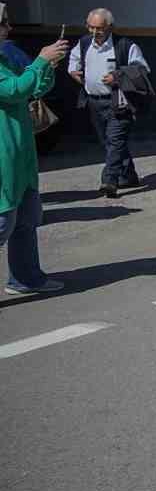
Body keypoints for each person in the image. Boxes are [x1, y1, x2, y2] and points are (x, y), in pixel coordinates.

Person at [1, 30, 71, 295]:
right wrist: (41, 60)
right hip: (3, 155)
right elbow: (13, 90)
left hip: (21, 154)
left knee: (27, 218)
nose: (6, 29)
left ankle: (25, 279)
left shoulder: (5, 58)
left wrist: (48, 67)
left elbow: (35, 88)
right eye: (2, 23)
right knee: (4, 221)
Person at [67, 9, 147, 199]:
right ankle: (128, 175)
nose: (94, 32)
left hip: (118, 102)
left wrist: (118, 75)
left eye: (99, 28)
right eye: (91, 27)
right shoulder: (84, 43)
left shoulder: (126, 45)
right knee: (108, 141)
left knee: (114, 140)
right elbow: (74, 61)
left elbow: (141, 69)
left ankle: (109, 181)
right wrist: (73, 71)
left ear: (110, 27)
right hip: (94, 101)